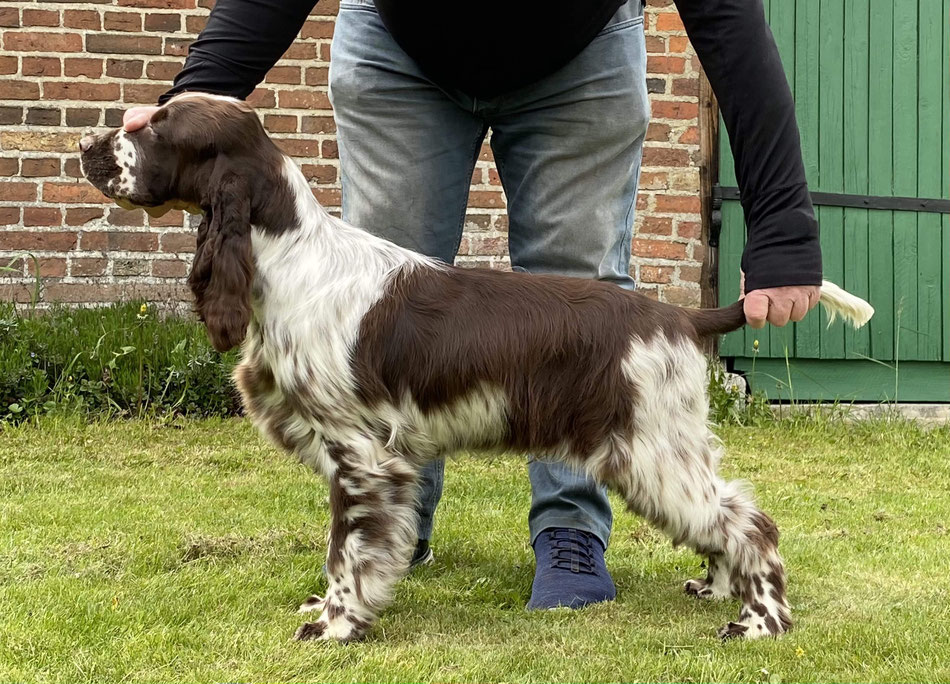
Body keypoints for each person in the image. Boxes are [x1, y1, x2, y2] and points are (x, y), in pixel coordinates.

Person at [123, 0, 822, 610]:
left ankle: (570, 537)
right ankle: (395, 531)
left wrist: (783, 225)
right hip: (398, 46)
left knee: (586, 305)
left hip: (583, 52)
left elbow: (725, 13)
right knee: (372, 318)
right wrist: (196, 105)